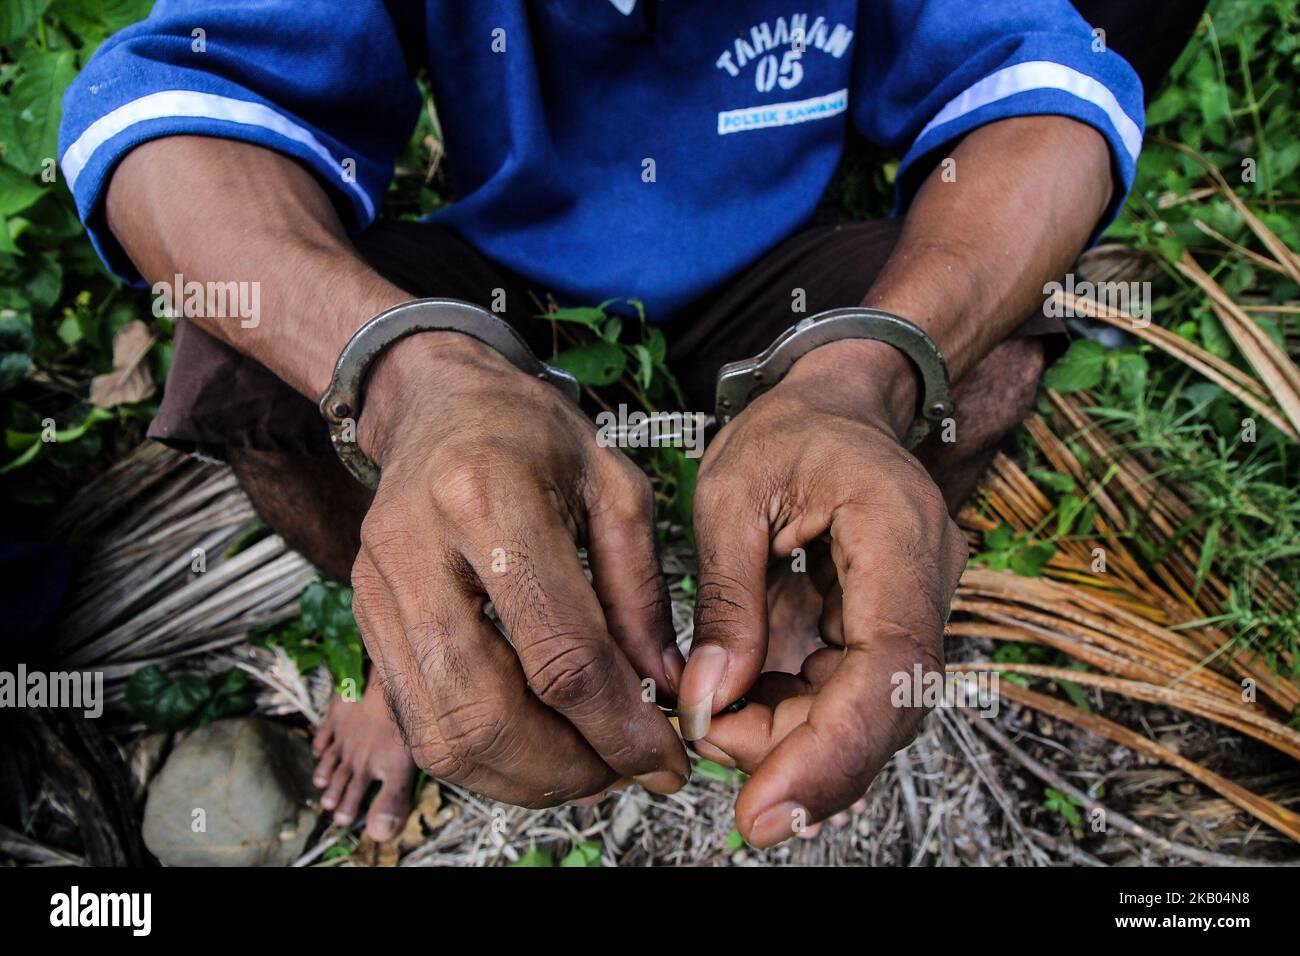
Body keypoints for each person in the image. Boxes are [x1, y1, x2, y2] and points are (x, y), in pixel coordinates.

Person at [60, 0, 1201, 849]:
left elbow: (1038, 83)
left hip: (771, 279)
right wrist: (416, 381)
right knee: (240, 362)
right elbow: (172, 107)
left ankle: (802, 596)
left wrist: (860, 375)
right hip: (497, 275)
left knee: (990, 347)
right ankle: (411, 636)